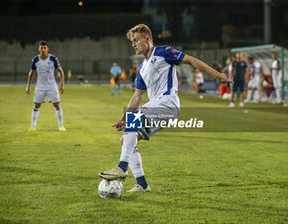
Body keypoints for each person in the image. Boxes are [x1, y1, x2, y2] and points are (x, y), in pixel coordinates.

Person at [99, 24, 232, 192]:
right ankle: (142, 184)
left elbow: (190, 60)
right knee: (125, 140)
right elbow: (137, 97)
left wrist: (217, 75)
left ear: (147, 38)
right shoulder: (141, 69)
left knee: (133, 123)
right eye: (132, 41)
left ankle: (122, 167)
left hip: (168, 104)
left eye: (136, 40)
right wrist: (123, 118)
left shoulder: (163, 52)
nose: (133, 44)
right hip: (158, 107)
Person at [26, 40, 66, 131]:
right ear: (39, 49)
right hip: (40, 86)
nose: (43, 49)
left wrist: (62, 85)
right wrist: (28, 86)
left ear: (47, 49)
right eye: (41, 48)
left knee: (57, 104)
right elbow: (31, 73)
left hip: (52, 86)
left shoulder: (53, 59)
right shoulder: (35, 60)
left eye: (45, 48)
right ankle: (33, 126)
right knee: (36, 105)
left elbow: (61, 71)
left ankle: (61, 126)